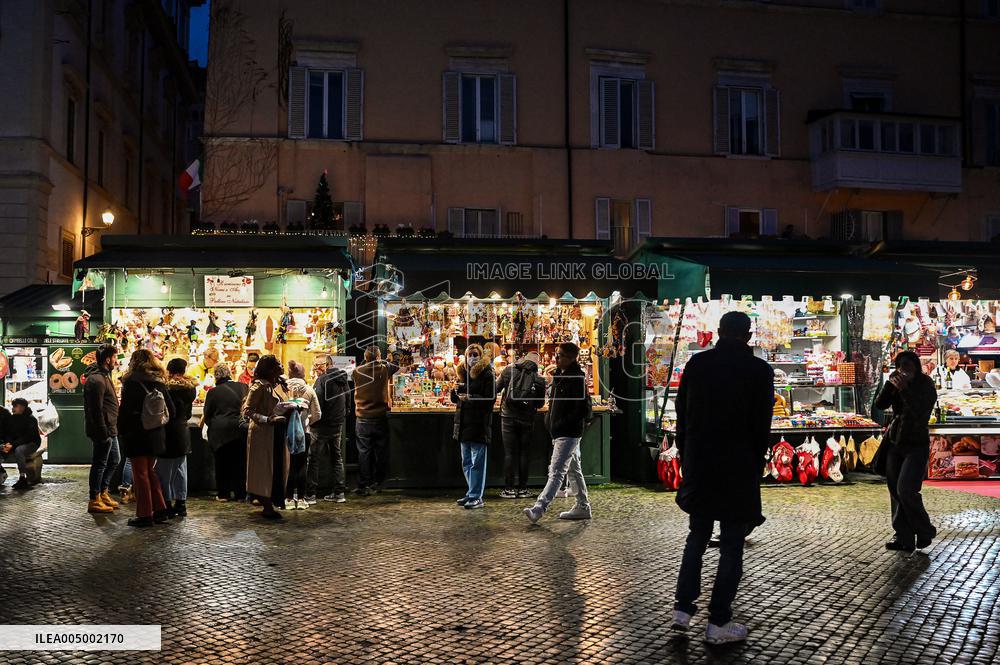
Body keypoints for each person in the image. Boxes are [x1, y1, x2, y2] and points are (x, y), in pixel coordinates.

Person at [670, 311, 774, 644]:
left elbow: (682, 413)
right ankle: (718, 621)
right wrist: (756, 461)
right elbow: (762, 424)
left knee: (697, 537)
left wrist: (687, 454)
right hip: (738, 466)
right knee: (731, 544)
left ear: (718, 332)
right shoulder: (759, 370)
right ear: (748, 336)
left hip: (701, 463)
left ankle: (682, 610)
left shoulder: (698, 365)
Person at [875, 350, 938, 553]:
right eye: (901, 366)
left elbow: (920, 412)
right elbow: (880, 404)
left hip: (916, 443)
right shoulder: (896, 383)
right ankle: (903, 536)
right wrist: (890, 385)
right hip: (895, 442)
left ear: (916, 367)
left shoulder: (925, 384)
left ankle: (925, 530)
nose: (904, 370)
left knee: (906, 489)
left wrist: (904, 390)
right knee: (895, 490)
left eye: (908, 366)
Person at [523, 342, 593, 523]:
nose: (556, 358)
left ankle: (539, 509)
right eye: (556, 354)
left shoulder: (576, 378)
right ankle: (583, 506)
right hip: (561, 430)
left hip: (567, 432)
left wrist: (560, 423)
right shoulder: (561, 375)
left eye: (560, 355)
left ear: (570, 358)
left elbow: (581, 408)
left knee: (556, 472)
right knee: (573, 470)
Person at [118, 349, 175, 527]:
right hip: (156, 434)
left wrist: (121, 430)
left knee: (140, 474)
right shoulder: (160, 382)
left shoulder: (131, 382)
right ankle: (160, 509)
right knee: (150, 471)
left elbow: (125, 410)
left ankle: (144, 515)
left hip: (137, 434)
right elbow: (171, 410)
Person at [243, 354, 291, 518]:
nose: (281, 366)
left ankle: (273, 499)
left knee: (277, 466)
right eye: (278, 364)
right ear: (270, 368)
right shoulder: (259, 386)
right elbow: (248, 410)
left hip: (277, 432)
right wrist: (267, 419)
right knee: (264, 469)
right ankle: (266, 503)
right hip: (262, 433)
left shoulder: (279, 383)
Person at [495, 350, 546, 498]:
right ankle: (523, 489)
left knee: (509, 453)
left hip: (508, 417)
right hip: (527, 418)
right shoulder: (539, 379)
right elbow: (540, 404)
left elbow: (495, 389)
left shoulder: (508, 371)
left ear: (523, 359)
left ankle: (509, 489)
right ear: (537, 363)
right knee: (524, 453)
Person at [452, 344, 496, 510]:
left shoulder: (487, 374)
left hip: (479, 423)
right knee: (466, 461)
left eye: (475, 354)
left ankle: (476, 496)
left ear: (480, 355)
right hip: (463, 423)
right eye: (469, 355)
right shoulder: (463, 373)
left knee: (477, 462)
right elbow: (456, 400)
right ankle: (471, 492)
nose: (472, 358)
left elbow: (490, 399)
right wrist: (455, 392)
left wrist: (471, 397)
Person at [352, 345, 399, 495]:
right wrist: (391, 353)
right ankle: (378, 483)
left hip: (362, 417)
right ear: (378, 357)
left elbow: (363, 364)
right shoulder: (385, 369)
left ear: (365, 357)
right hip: (380, 416)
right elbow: (396, 365)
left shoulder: (357, 371)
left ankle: (363, 485)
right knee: (380, 452)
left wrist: (370, 360)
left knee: (364, 452)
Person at [308, 354, 352, 504]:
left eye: (318, 365)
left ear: (327, 365)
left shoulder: (321, 380)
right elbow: (348, 400)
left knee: (313, 459)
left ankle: (310, 495)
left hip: (321, 426)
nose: (316, 368)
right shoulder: (342, 379)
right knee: (337, 458)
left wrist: (312, 421)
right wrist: (343, 415)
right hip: (337, 425)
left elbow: (317, 404)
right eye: (314, 365)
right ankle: (339, 493)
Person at [83, 345, 121, 513]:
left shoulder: (105, 376)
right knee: (99, 463)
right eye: (114, 358)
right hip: (103, 430)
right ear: (107, 359)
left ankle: (103, 492)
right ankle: (94, 499)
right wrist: (103, 431)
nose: (116, 361)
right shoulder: (96, 380)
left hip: (111, 428)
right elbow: (95, 409)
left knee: (114, 460)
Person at [203, 363, 249, 502]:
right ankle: (241, 493)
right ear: (229, 373)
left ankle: (224, 494)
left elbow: (207, 413)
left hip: (220, 431)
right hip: (240, 428)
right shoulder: (243, 387)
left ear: (216, 376)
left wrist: (213, 425)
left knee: (222, 463)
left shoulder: (213, 392)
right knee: (240, 462)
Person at [157, 358, 197, 518]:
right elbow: (188, 414)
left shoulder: (166, 388)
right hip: (183, 431)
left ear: (169, 370)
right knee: (181, 470)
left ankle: (166, 504)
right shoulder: (190, 389)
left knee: (164, 472)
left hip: (168, 432)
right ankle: (181, 504)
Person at [285, 360, 322, 509]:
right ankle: (300, 499)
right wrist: (306, 421)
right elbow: (317, 414)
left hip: (286, 433)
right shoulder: (309, 390)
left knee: (288, 465)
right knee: (301, 465)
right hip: (304, 433)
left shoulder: (283, 389)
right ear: (302, 374)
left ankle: (288, 498)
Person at [1, 398, 42, 490]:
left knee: (19, 450)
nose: (13, 409)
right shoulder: (12, 419)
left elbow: (28, 437)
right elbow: (8, 434)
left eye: (15, 406)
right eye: (12, 406)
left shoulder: (31, 419)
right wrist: (8, 443)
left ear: (22, 407)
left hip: (32, 443)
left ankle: (22, 477)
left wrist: (13, 445)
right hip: (15, 444)